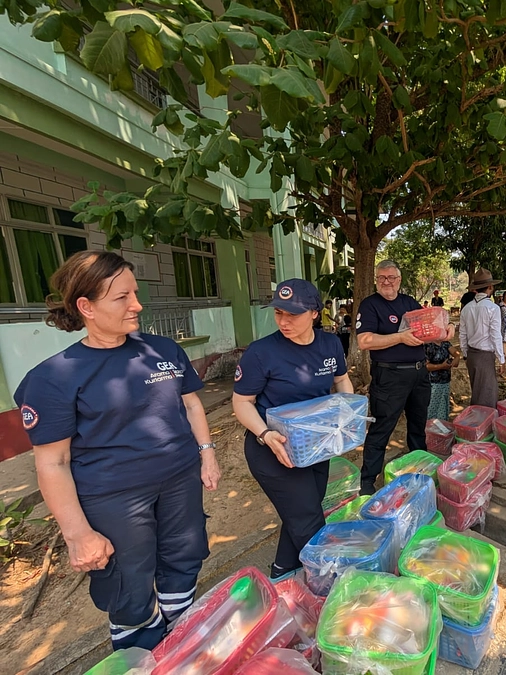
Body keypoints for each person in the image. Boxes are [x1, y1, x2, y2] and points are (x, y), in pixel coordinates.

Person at [13, 251, 220, 651]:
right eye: (122, 297)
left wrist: (207, 454)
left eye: (136, 293)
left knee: (184, 560)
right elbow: (52, 462)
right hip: (114, 498)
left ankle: (183, 646)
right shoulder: (54, 377)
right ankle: (141, 654)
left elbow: (192, 403)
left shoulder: (162, 350)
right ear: (85, 307)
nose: (137, 305)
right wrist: (77, 534)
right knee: (129, 584)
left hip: (180, 482)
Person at [232, 279, 352, 579]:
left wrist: (348, 415)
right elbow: (242, 402)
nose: (283, 321)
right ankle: (337, 585)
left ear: (314, 313)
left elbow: (341, 381)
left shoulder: (330, 344)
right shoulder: (261, 353)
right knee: (309, 521)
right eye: (278, 313)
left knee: (303, 511)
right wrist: (264, 434)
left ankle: (282, 572)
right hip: (274, 450)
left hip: (316, 447)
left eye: (292, 315)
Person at [356, 260, 454, 493]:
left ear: (399, 280)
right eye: (382, 277)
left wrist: (446, 332)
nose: (386, 282)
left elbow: (428, 332)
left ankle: (419, 468)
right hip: (389, 375)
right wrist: (399, 338)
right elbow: (364, 341)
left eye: (391, 277)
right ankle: (368, 481)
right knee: (382, 428)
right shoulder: (370, 305)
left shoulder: (408, 303)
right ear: (376, 280)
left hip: (419, 373)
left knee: (418, 425)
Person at [460, 269, 506, 408]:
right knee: (487, 393)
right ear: (490, 287)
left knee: (477, 391)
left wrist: (465, 354)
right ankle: (484, 425)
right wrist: (501, 358)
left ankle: (476, 422)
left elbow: (463, 334)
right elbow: (495, 335)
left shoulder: (467, 308)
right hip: (485, 355)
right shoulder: (493, 308)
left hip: (472, 354)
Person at [425, 339, 460, 420]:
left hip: (445, 381)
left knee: (443, 407)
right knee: (432, 408)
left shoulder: (445, 343)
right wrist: (441, 366)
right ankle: (430, 428)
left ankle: (441, 427)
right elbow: (426, 366)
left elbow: (455, 353)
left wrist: (456, 358)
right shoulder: (427, 345)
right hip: (432, 383)